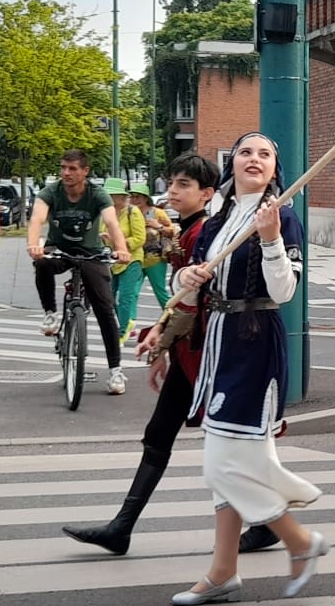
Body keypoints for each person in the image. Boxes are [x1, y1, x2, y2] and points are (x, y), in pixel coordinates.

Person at [168, 131, 329, 605]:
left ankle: (299, 541)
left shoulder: (283, 217)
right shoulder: (218, 218)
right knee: (230, 457)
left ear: (275, 167)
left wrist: (272, 239)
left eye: (264, 153)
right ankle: (224, 570)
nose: (254, 159)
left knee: (222, 463)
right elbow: (190, 289)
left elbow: (284, 293)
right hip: (218, 340)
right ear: (231, 164)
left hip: (254, 341)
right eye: (245, 152)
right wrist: (188, 277)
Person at [64, 154, 221, 554]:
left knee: (232, 444)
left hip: (207, 355)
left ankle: (274, 521)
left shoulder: (205, 232)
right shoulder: (187, 230)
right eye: (172, 182)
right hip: (190, 353)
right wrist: (162, 338)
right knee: (161, 435)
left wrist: (161, 338)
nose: (172, 190)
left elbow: (195, 302)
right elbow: (183, 299)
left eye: (183, 184)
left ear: (206, 193)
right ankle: (122, 527)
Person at [28, 149, 134, 395]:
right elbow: (36, 219)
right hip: (60, 249)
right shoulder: (51, 192)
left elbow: (111, 223)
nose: (66, 172)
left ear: (85, 171)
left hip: (90, 252)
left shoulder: (97, 194)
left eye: (73, 168)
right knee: (42, 262)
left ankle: (116, 371)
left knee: (105, 310)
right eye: (63, 167)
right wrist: (34, 245)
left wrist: (120, 249)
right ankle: (50, 314)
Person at [108, 182, 149, 346]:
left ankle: (122, 332)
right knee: (107, 297)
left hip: (132, 259)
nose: (109, 198)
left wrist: (118, 242)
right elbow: (100, 232)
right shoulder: (108, 212)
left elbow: (140, 238)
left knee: (126, 296)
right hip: (112, 260)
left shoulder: (133, 211)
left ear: (121, 196)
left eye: (111, 195)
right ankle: (124, 323)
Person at [138, 186, 176, 314]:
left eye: (138, 196)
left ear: (146, 198)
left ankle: (170, 318)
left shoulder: (157, 213)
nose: (134, 199)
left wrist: (158, 226)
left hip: (155, 258)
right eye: (132, 196)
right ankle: (126, 325)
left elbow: (172, 231)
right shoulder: (130, 213)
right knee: (130, 293)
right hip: (135, 258)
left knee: (160, 292)